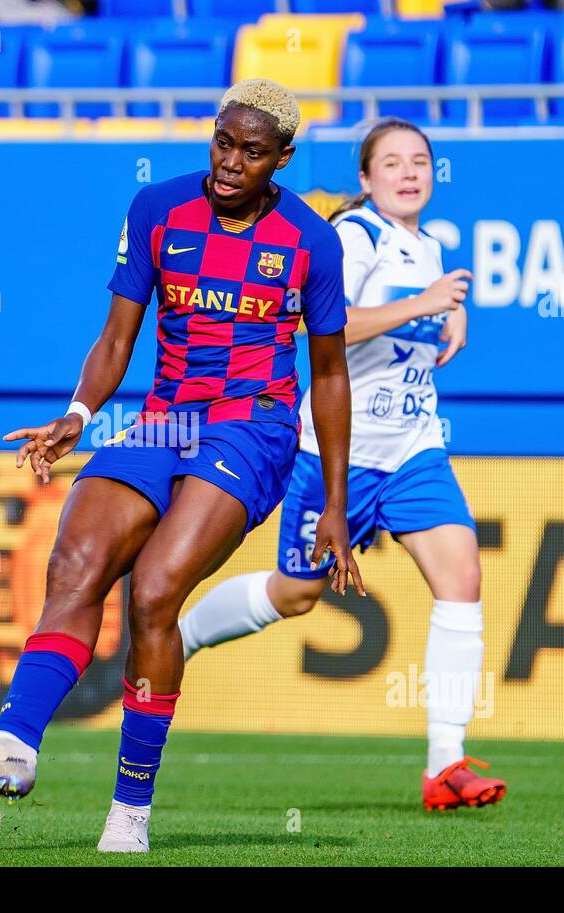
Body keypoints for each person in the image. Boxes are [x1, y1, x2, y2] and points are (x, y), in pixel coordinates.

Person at [0, 79, 363, 853]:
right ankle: (15, 745)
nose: (229, 163)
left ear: (282, 159)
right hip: (165, 419)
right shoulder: (157, 208)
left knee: (155, 593)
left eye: (251, 152)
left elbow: (328, 374)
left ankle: (129, 813)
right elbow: (117, 337)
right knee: (76, 561)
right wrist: (77, 417)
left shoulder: (311, 243)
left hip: (251, 429)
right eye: (223, 141)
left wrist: (335, 501)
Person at [179, 118, 506, 813]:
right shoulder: (354, 238)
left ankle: (445, 764)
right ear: (366, 179)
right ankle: (176, 638)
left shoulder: (432, 247)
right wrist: (424, 304)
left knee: (463, 575)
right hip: (339, 455)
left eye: (420, 161)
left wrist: (452, 318)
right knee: (295, 595)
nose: (410, 172)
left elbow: (418, 315)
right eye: (392, 163)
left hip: (413, 448)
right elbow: (324, 322)